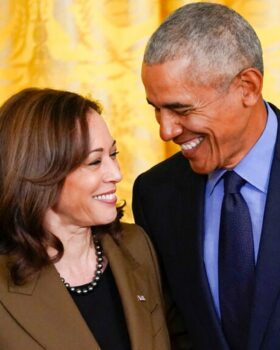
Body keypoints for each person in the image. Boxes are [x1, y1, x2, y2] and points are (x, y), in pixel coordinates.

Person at [132, 2, 280, 350]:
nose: (166, 130)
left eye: (180, 108)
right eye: (156, 109)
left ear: (247, 87)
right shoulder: (155, 193)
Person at [0, 88, 170, 350]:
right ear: (41, 173)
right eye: (94, 162)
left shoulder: (137, 245)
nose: (116, 173)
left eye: (112, 155)